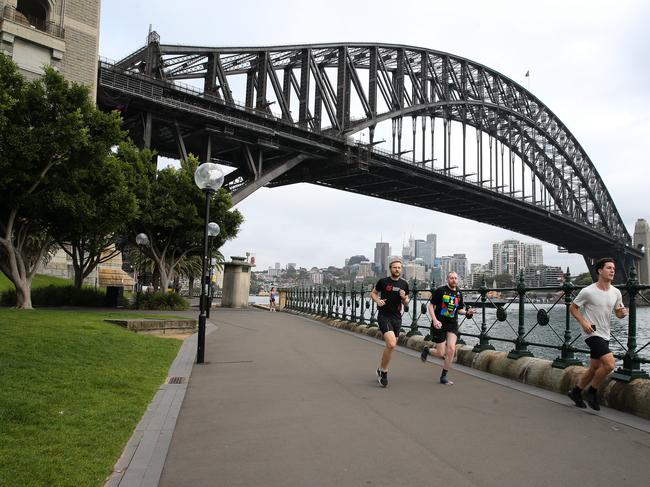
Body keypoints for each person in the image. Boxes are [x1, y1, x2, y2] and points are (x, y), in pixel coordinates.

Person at [567, 257, 627, 410]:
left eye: (613, 268)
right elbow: (573, 308)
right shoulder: (588, 291)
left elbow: (618, 314)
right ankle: (592, 392)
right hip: (591, 332)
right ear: (600, 271)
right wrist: (583, 322)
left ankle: (576, 392)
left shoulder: (616, 292)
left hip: (605, 333)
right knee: (610, 364)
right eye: (609, 268)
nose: (612, 270)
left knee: (594, 367)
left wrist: (622, 313)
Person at [420, 271, 474, 385]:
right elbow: (430, 305)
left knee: (451, 349)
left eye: (455, 278)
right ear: (447, 279)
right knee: (440, 353)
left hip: (452, 324)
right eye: (451, 278)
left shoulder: (459, 293)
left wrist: (467, 313)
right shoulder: (441, 290)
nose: (453, 280)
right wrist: (434, 320)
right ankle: (427, 350)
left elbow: (459, 309)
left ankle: (443, 376)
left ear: (457, 280)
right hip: (439, 323)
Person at [371, 259, 410, 387]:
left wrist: (404, 297)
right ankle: (385, 372)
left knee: (390, 346)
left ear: (401, 269)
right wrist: (377, 301)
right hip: (384, 315)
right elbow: (373, 293)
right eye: (394, 267)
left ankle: (381, 369)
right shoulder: (383, 282)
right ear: (390, 268)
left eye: (399, 267)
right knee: (392, 344)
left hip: (396, 317)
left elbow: (406, 302)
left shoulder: (404, 284)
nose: (397, 269)